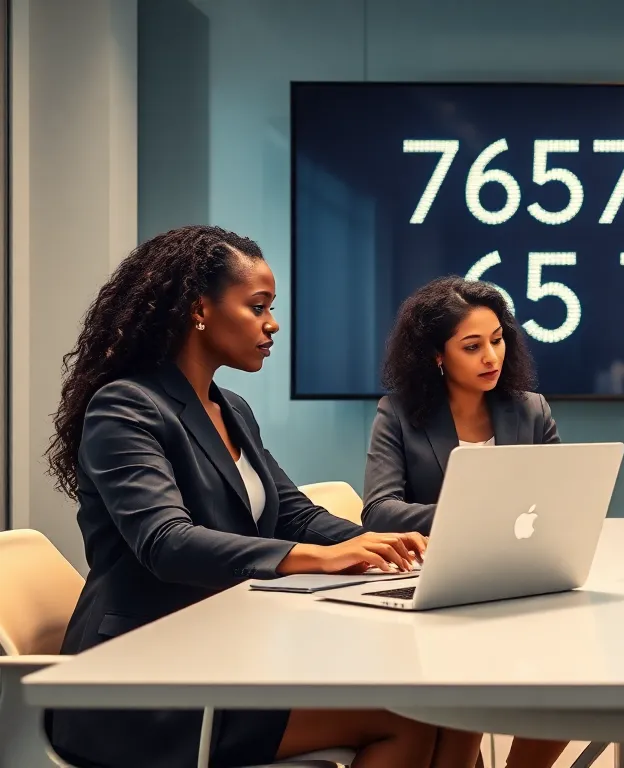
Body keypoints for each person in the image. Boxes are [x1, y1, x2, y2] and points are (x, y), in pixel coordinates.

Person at [43, 226, 486, 768]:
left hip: (222, 657)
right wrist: (316, 558)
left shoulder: (230, 408)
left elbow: (292, 513)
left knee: (448, 708)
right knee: (405, 720)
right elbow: (165, 543)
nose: (272, 323)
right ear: (199, 309)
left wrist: (385, 544)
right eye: (257, 307)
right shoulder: (125, 407)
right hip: (140, 682)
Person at [361, 275, 567, 768]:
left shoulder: (531, 410)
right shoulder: (399, 415)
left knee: (570, 678)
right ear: (436, 355)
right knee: (470, 674)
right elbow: (379, 510)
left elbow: (560, 501)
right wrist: (477, 514)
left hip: (523, 581)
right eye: (472, 346)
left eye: (498, 340)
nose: (492, 357)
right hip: (441, 587)